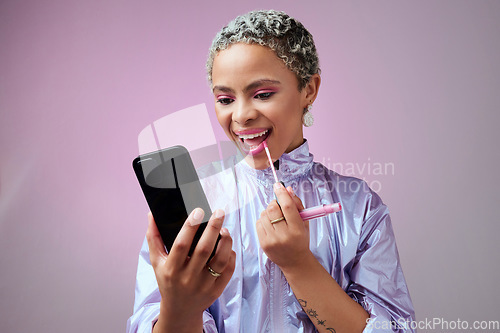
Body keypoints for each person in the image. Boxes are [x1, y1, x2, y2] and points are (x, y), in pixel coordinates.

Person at [127, 9, 415, 333]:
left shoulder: (359, 206)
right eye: (225, 98)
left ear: (308, 89)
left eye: (262, 94)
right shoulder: (196, 205)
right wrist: (180, 308)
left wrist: (299, 264)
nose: (241, 115)